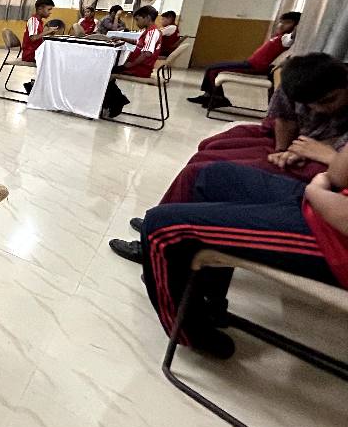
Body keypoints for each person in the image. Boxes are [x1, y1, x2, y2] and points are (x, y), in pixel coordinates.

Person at [110, 53, 348, 264]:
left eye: (329, 101)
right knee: (209, 149)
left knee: (203, 172)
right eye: (312, 105)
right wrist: (282, 149)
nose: (320, 109)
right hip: (301, 146)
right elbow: (285, 119)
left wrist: (324, 153)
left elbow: (338, 172)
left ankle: (157, 241)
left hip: (327, 168)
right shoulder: (298, 85)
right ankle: (166, 218)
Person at [121, 148, 348, 359]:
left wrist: (315, 190)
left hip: (333, 239)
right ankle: (208, 298)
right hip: (327, 202)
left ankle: (191, 333)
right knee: (207, 175)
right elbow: (338, 174)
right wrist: (321, 186)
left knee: (160, 230)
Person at [186, 11, 300, 108]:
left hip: (255, 66)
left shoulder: (285, 39)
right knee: (211, 67)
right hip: (249, 63)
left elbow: (293, 35)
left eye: (287, 23)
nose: (281, 25)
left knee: (213, 70)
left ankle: (219, 98)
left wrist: (298, 25)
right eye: (281, 22)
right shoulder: (278, 36)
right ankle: (208, 96)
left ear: (294, 25)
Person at [102, 5, 162, 119]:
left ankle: (116, 102)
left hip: (140, 68)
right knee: (109, 71)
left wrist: (130, 64)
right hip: (137, 66)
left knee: (107, 73)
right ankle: (116, 101)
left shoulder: (152, 32)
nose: (137, 23)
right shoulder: (149, 31)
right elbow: (138, 43)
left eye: (138, 19)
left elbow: (147, 53)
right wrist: (122, 38)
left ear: (147, 18)